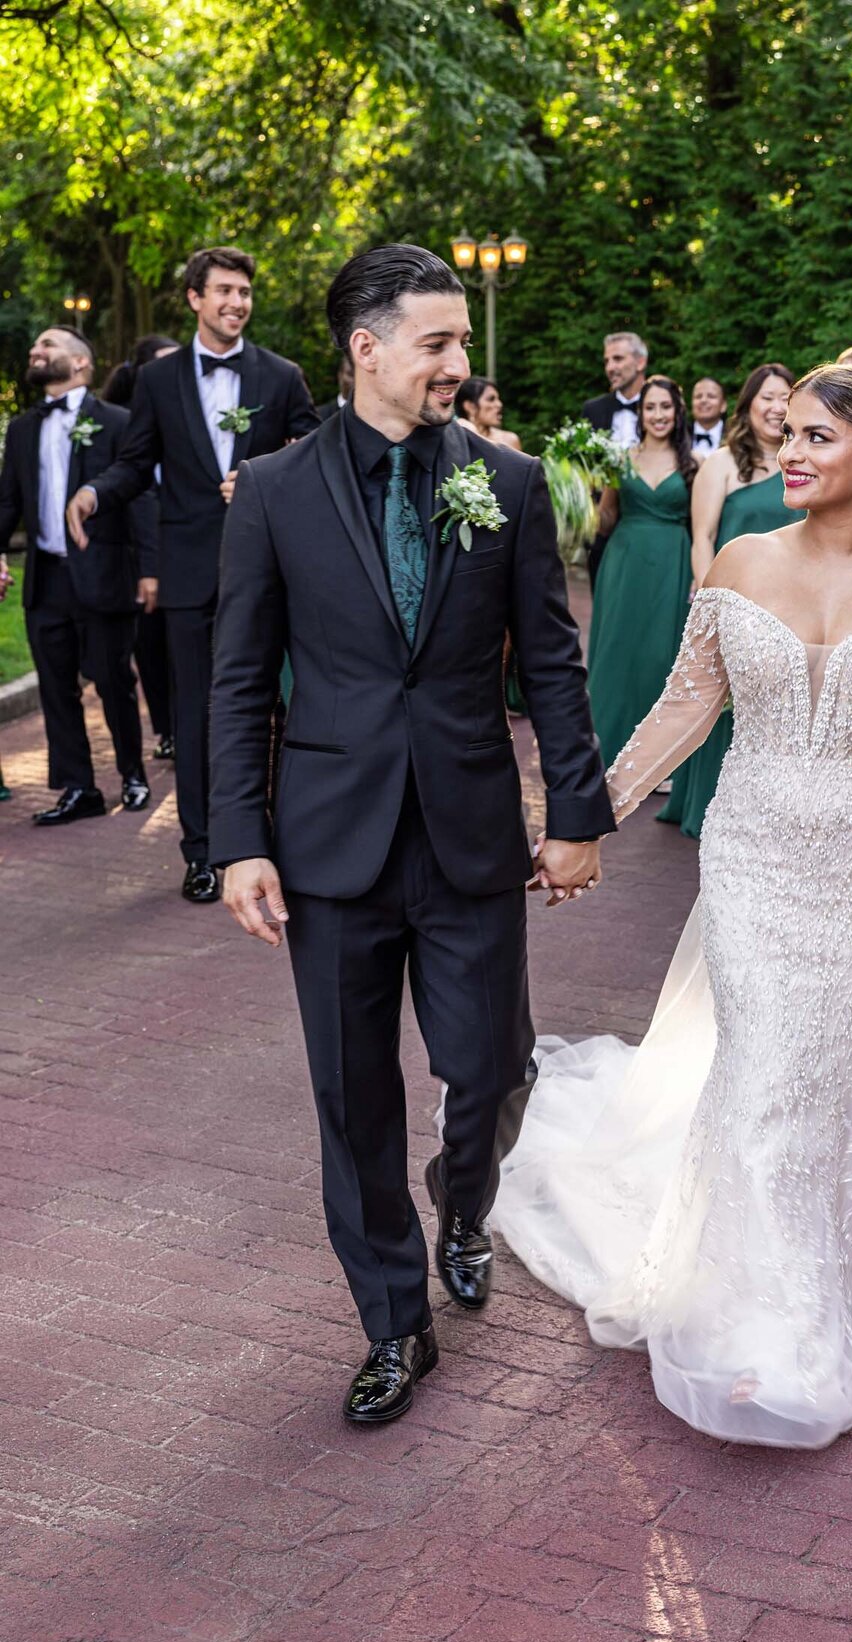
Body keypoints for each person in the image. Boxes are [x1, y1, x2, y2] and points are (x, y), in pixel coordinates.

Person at [495, 363, 852, 1448]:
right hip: (754, 854)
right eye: (786, 434)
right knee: (767, 1059)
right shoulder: (739, 562)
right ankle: (767, 1306)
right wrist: (592, 818)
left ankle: (825, 1274)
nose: (789, 454)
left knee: (834, 1062)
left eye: (818, 439)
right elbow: (688, 705)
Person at [209, 244, 614, 1427]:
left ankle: (464, 1200)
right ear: (366, 348)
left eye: (461, 343)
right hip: (328, 844)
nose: (460, 363)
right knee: (351, 1095)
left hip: (470, 830)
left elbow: (550, 660)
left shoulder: (513, 481)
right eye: (438, 342)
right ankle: (395, 1319)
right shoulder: (274, 491)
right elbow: (237, 682)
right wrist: (239, 837)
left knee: (493, 1064)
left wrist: (577, 815)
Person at [66, 245, 319, 902]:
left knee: (277, 708)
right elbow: (134, 462)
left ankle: (275, 835)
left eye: (245, 291)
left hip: (271, 571)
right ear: (195, 299)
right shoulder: (157, 381)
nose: (237, 302)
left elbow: (317, 459)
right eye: (225, 291)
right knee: (200, 714)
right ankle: (204, 850)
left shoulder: (283, 376)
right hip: (188, 576)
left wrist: (271, 482)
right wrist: (94, 493)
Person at [0, 325, 155, 823]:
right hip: (46, 577)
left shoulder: (116, 421)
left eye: (48, 345)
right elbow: (7, 502)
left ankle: (133, 773)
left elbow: (140, 497)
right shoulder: (23, 428)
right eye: (36, 345)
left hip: (105, 572)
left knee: (113, 680)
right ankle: (78, 787)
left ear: (81, 362)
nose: (36, 351)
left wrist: (149, 570)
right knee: (55, 686)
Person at [659, 362, 795, 838]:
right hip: (734, 600)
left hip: (794, 603)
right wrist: (711, 603)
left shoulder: (803, 463)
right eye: (768, 398)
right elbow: (703, 538)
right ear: (748, 404)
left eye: (786, 398)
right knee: (721, 708)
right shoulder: (719, 464)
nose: (777, 408)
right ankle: (708, 806)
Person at [586, 375, 697, 767]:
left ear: (677, 412)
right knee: (618, 649)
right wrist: (588, 487)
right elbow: (605, 521)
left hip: (673, 561)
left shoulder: (693, 464)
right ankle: (604, 750)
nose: (658, 414)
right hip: (624, 561)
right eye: (650, 407)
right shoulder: (620, 459)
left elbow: (701, 527)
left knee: (660, 655)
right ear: (640, 413)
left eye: (665, 406)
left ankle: (655, 760)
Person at [101, 334, 181, 762]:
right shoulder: (126, 428)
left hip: (191, 547)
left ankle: (193, 725)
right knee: (149, 645)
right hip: (145, 553)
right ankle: (166, 729)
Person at [582, 332, 649, 588]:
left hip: (647, 518)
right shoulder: (593, 409)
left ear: (640, 362)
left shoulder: (661, 408)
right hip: (603, 527)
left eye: (618, 359)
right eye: (607, 361)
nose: (611, 367)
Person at [455, 375, 522, 451]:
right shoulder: (454, 440)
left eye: (498, 399)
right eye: (491, 399)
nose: (499, 404)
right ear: (470, 406)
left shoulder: (509, 440)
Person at [690, 377, 727, 456]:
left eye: (711, 396)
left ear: (723, 405)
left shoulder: (734, 438)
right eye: (698, 396)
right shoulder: (678, 437)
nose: (703, 400)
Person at [317, 355, 354, 421]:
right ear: (340, 375)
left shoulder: (374, 418)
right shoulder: (319, 415)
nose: (356, 380)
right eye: (351, 374)